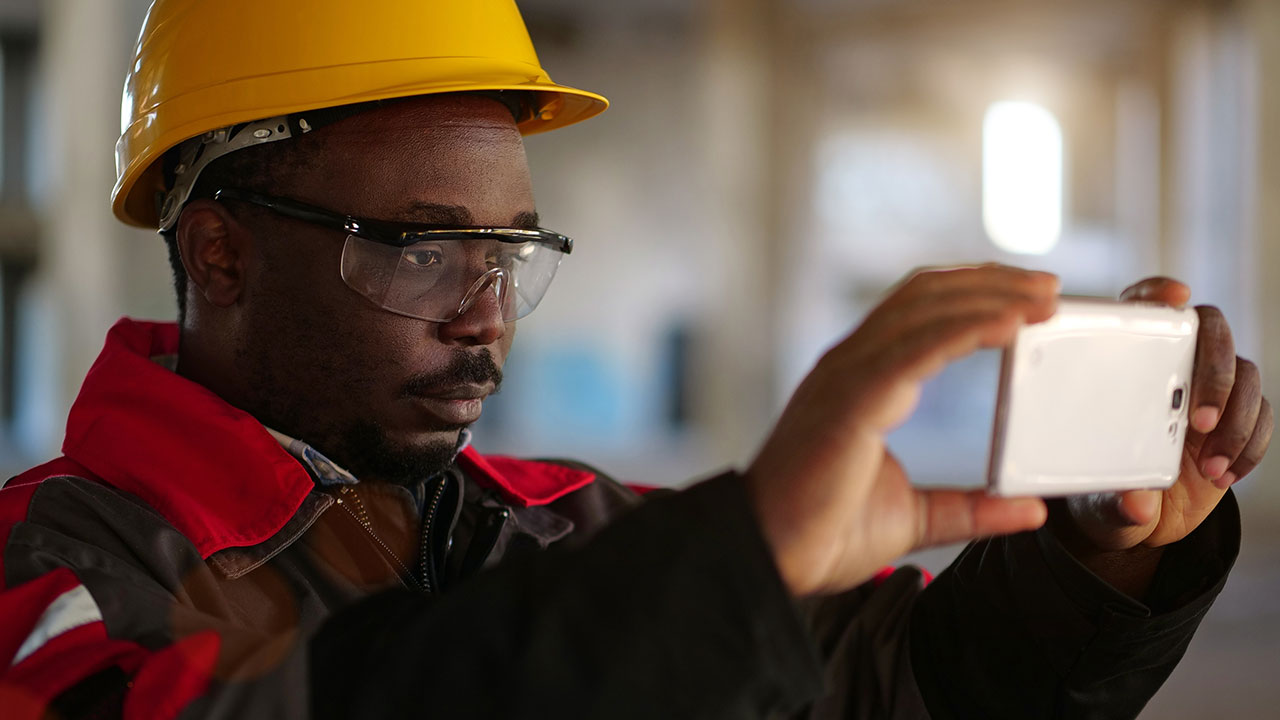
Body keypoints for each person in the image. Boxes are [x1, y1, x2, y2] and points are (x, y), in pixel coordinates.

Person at [0, 1, 1270, 718]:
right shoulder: (56, 566)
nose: (486, 314)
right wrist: (731, 568)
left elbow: (910, 693)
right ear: (218, 255)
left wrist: (1107, 557)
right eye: (420, 250)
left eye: (510, 251)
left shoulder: (572, 532)